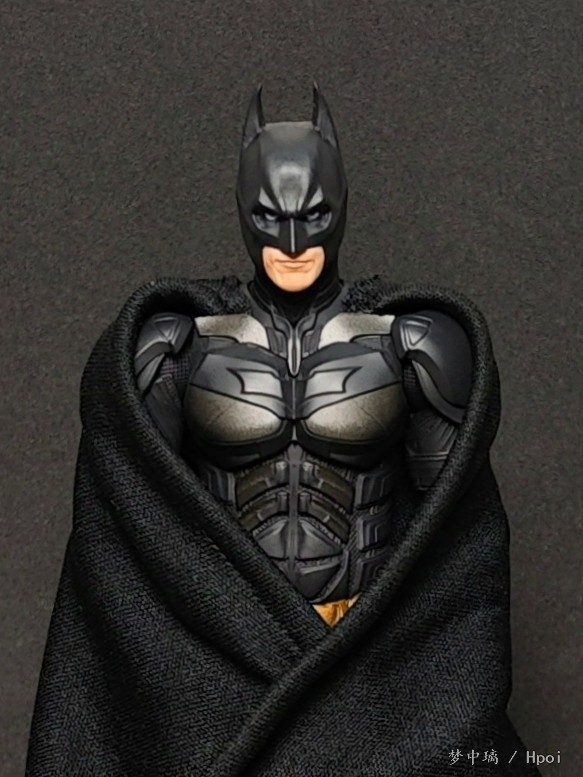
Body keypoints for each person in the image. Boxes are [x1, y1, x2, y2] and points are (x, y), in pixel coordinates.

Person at [134, 83, 473, 627]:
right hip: (229, 636)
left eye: (313, 215)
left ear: (341, 208)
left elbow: (450, 537)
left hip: (366, 635)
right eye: (269, 217)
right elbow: (144, 521)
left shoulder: (410, 345)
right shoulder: (180, 348)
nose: (292, 243)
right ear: (243, 212)